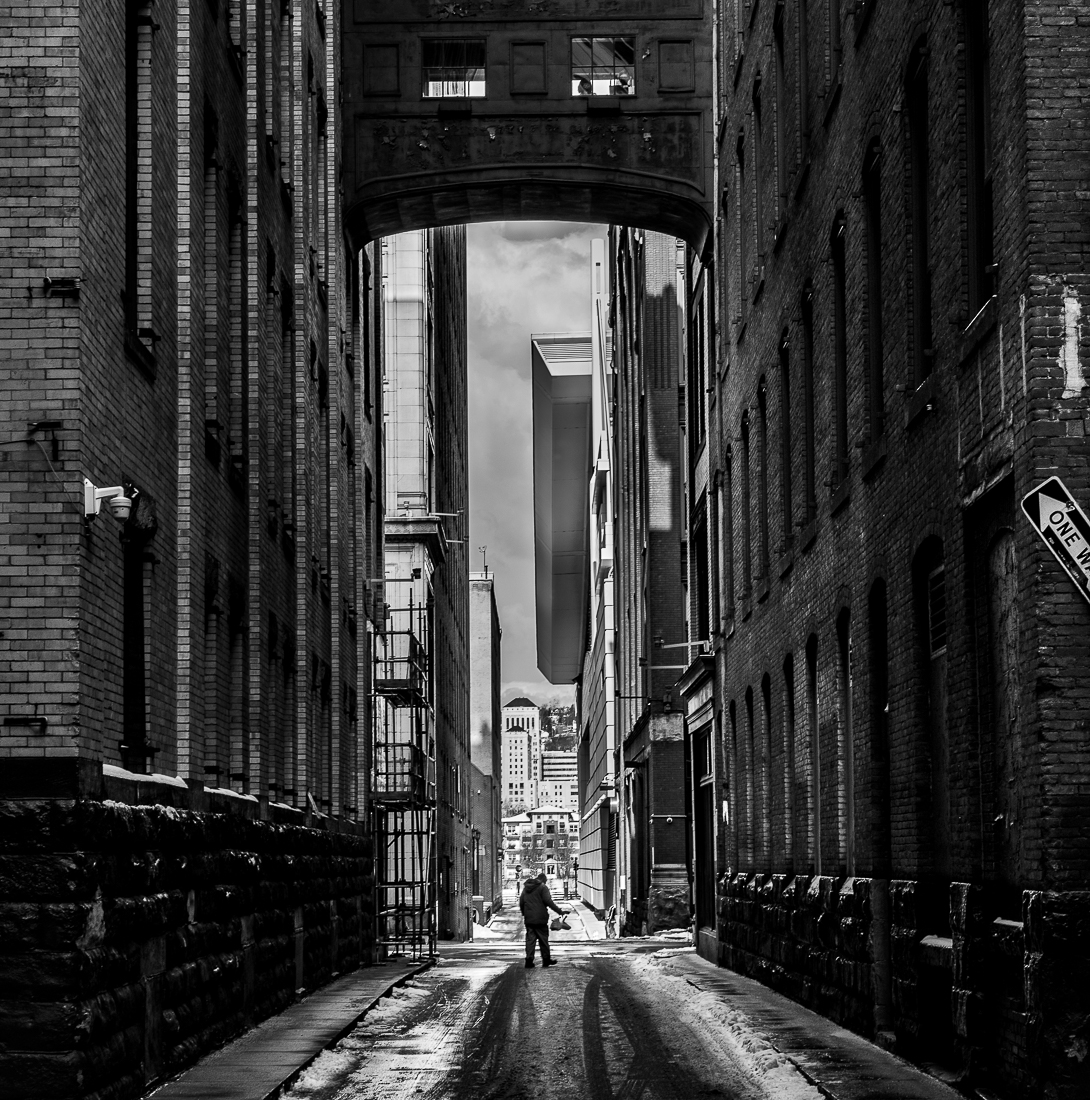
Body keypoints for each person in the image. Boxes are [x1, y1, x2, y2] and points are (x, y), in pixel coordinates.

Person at [519, 871, 565, 968]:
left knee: (530, 940)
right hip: (540, 918)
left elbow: (521, 902)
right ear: (544, 880)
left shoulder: (526, 888)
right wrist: (560, 911)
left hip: (529, 919)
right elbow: (548, 901)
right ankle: (546, 960)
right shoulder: (543, 887)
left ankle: (529, 960)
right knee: (543, 940)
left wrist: (525, 914)